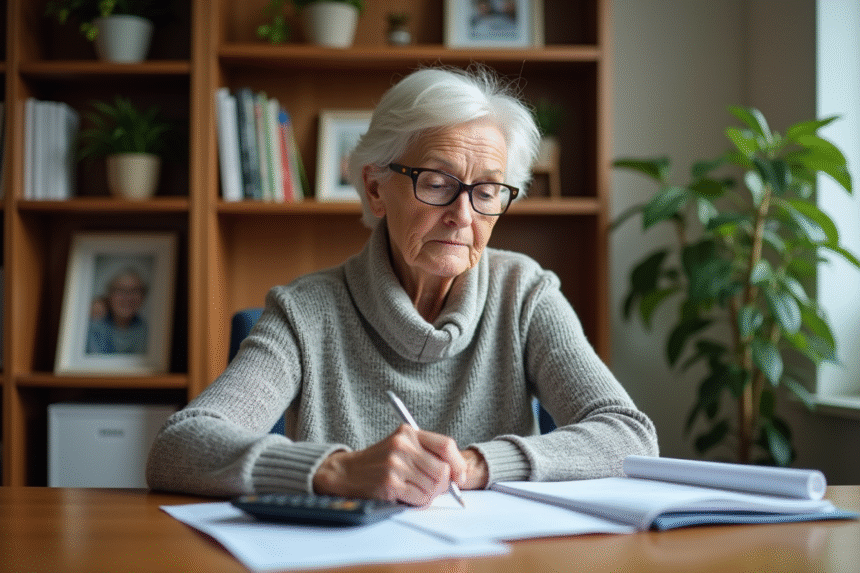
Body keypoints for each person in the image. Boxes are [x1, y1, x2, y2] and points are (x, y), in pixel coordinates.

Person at [146, 66, 658, 505]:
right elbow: (182, 446)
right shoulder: (305, 311)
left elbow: (629, 436)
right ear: (375, 188)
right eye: (436, 182)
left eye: (487, 190)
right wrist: (337, 470)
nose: (463, 215)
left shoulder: (525, 293)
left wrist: (476, 464)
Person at [86, 268, 149, 354]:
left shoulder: (148, 331)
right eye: (121, 290)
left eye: (135, 290)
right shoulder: (91, 326)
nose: (128, 297)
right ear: (109, 295)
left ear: (143, 297)